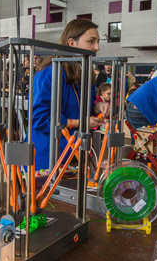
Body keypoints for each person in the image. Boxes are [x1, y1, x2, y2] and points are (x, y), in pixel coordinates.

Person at [31, 19, 103, 170]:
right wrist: (81, 123)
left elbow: (82, 107)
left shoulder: (84, 72)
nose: (97, 48)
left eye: (98, 42)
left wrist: (97, 107)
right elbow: (39, 119)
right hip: (50, 156)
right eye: (91, 41)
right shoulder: (49, 73)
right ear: (71, 43)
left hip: (76, 153)